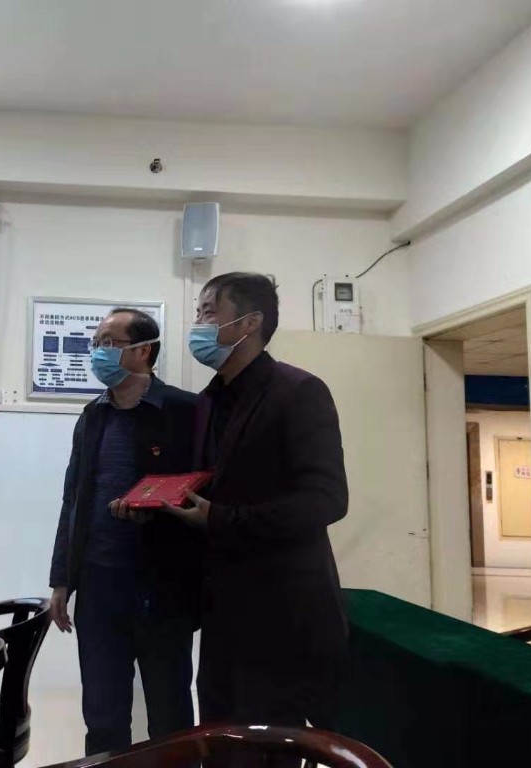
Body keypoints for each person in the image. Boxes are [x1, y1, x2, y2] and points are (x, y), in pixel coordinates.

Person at [164, 273, 348, 767]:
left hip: (280, 617)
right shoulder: (209, 400)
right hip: (220, 614)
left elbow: (327, 499)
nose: (198, 324)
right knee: (219, 745)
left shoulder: (299, 391)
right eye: (198, 312)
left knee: (266, 754)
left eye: (208, 312)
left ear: (250, 323)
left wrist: (223, 519)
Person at [49, 308, 201, 756]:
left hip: (161, 584)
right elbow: (73, 500)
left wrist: (155, 511)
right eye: (96, 343)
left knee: (169, 713)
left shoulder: (185, 411)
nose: (98, 351)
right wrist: (62, 580)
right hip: (99, 584)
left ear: (143, 351)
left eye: (109, 343)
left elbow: (203, 491)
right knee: (102, 713)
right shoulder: (92, 415)